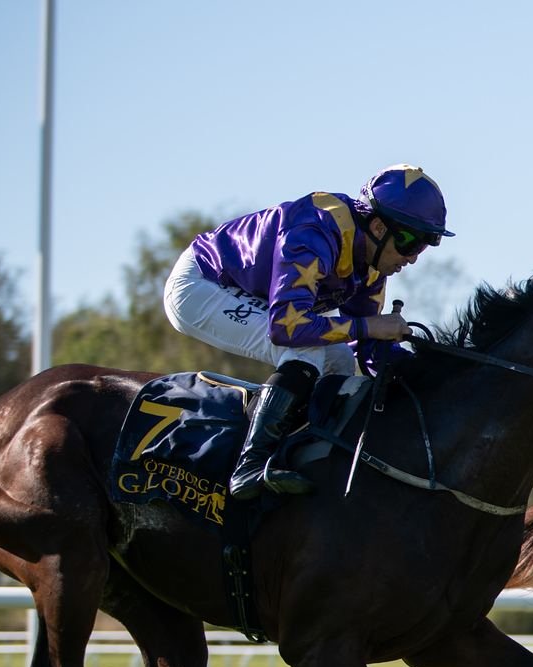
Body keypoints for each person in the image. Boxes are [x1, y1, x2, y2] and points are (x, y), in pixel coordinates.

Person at [163, 164, 453, 499]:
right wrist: (371, 326)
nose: (413, 258)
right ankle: (251, 465)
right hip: (199, 286)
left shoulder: (372, 264)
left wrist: (430, 372)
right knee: (306, 350)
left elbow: (370, 349)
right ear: (377, 226)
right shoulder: (314, 233)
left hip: (256, 300)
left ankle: (299, 451)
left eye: (424, 246)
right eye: (410, 243)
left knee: (340, 360)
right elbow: (286, 327)